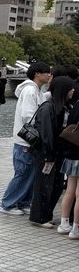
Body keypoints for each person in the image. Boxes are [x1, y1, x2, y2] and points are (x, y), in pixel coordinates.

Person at [0, 61, 51, 216]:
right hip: (25, 141)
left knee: (29, 173)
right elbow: (28, 115)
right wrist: (42, 127)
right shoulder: (29, 91)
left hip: (28, 141)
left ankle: (23, 202)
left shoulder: (36, 90)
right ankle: (7, 204)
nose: (49, 75)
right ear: (37, 74)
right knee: (22, 173)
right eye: (47, 72)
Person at [28, 76, 76, 228]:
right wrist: (49, 154)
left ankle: (46, 215)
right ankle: (38, 217)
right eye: (70, 88)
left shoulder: (66, 106)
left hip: (57, 153)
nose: (73, 90)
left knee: (55, 184)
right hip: (46, 153)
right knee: (43, 184)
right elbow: (46, 133)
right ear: (63, 90)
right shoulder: (48, 107)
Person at [58, 89, 79, 239]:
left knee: (70, 191)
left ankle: (64, 224)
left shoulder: (76, 104)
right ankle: (76, 229)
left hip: (72, 154)